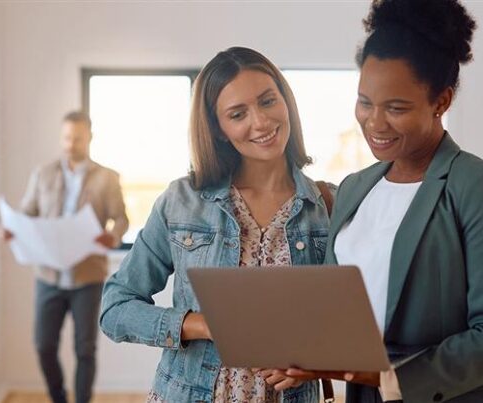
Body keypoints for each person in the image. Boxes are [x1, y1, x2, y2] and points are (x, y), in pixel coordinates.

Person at [263, 0, 483, 402]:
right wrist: (305, 358)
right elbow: (337, 307)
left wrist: (385, 375)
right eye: (365, 102)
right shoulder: (354, 188)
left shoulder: (472, 186)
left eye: (396, 108)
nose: (375, 123)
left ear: (442, 102)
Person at [100, 47, 334, 402]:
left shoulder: (329, 206)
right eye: (238, 113)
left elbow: (349, 323)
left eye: (268, 101)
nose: (261, 122)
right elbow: (115, 307)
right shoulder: (182, 202)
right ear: (220, 129)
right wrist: (202, 324)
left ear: (286, 101)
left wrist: (312, 361)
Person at [1, 110, 129, 403]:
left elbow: (121, 219)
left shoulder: (107, 178)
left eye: (78, 139)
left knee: (85, 349)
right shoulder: (42, 173)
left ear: (90, 138)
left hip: (88, 276)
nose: (71, 144)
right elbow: (27, 214)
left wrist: (113, 236)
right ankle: (58, 398)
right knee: (44, 345)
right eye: (67, 138)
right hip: (48, 276)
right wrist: (12, 229)